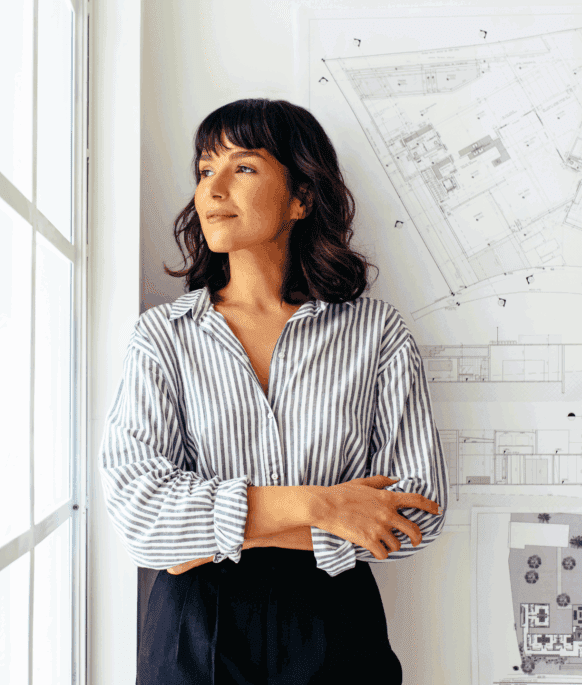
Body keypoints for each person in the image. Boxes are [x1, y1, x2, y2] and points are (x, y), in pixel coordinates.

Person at [98, 98, 449, 684]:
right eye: (205, 169)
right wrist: (325, 506)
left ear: (301, 197)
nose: (212, 190)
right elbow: (142, 517)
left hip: (337, 628)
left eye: (244, 167)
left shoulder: (375, 333)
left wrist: (206, 534)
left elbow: (415, 513)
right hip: (193, 636)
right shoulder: (163, 336)